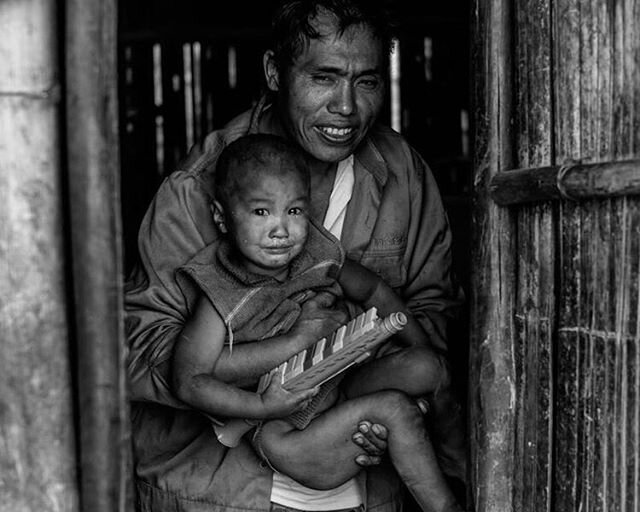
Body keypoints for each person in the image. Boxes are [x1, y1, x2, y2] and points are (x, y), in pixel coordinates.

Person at [124, 1, 467, 511]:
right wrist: (291, 350)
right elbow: (142, 351)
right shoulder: (201, 189)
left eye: (367, 82)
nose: (346, 107)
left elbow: (432, 305)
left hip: (367, 493)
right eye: (324, 77)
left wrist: (399, 406)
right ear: (274, 73)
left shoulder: (402, 175)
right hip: (221, 491)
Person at [171, 134, 463, 512]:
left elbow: (374, 289)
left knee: (431, 366)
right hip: (285, 430)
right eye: (261, 212)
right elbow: (188, 380)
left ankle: (463, 467)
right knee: (396, 410)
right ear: (221, 216)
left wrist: (409, 339)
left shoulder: (317, 255)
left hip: (341, 382)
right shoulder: (219, 292)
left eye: (294, 211)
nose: (281, 230)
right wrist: (262, 405)